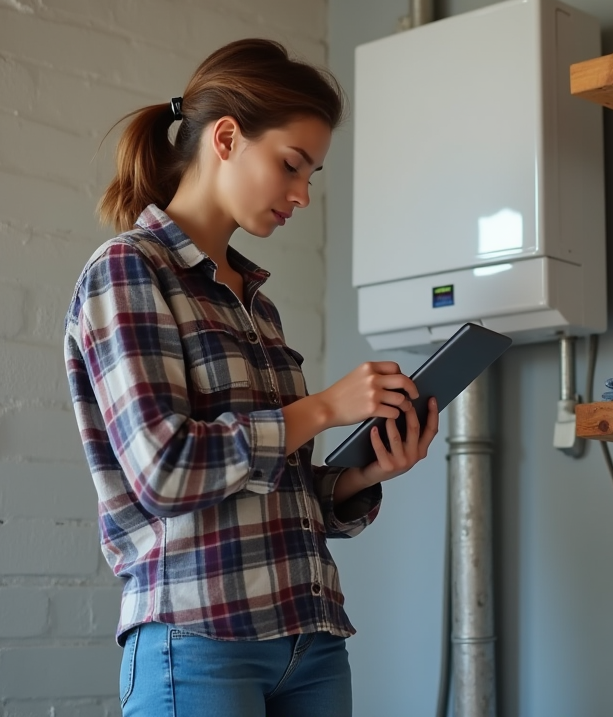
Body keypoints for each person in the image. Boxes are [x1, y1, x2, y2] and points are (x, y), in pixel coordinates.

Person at [63, 38, 438, 717]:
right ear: (227, 138)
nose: (302, 194)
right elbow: (165, 472)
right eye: (292, 165)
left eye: (312, 175)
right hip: (199, 638)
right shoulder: (127, 270)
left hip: (312, 640)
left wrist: (363, 475)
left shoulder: (255, 303)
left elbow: (275, 491)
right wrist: (323, 409)